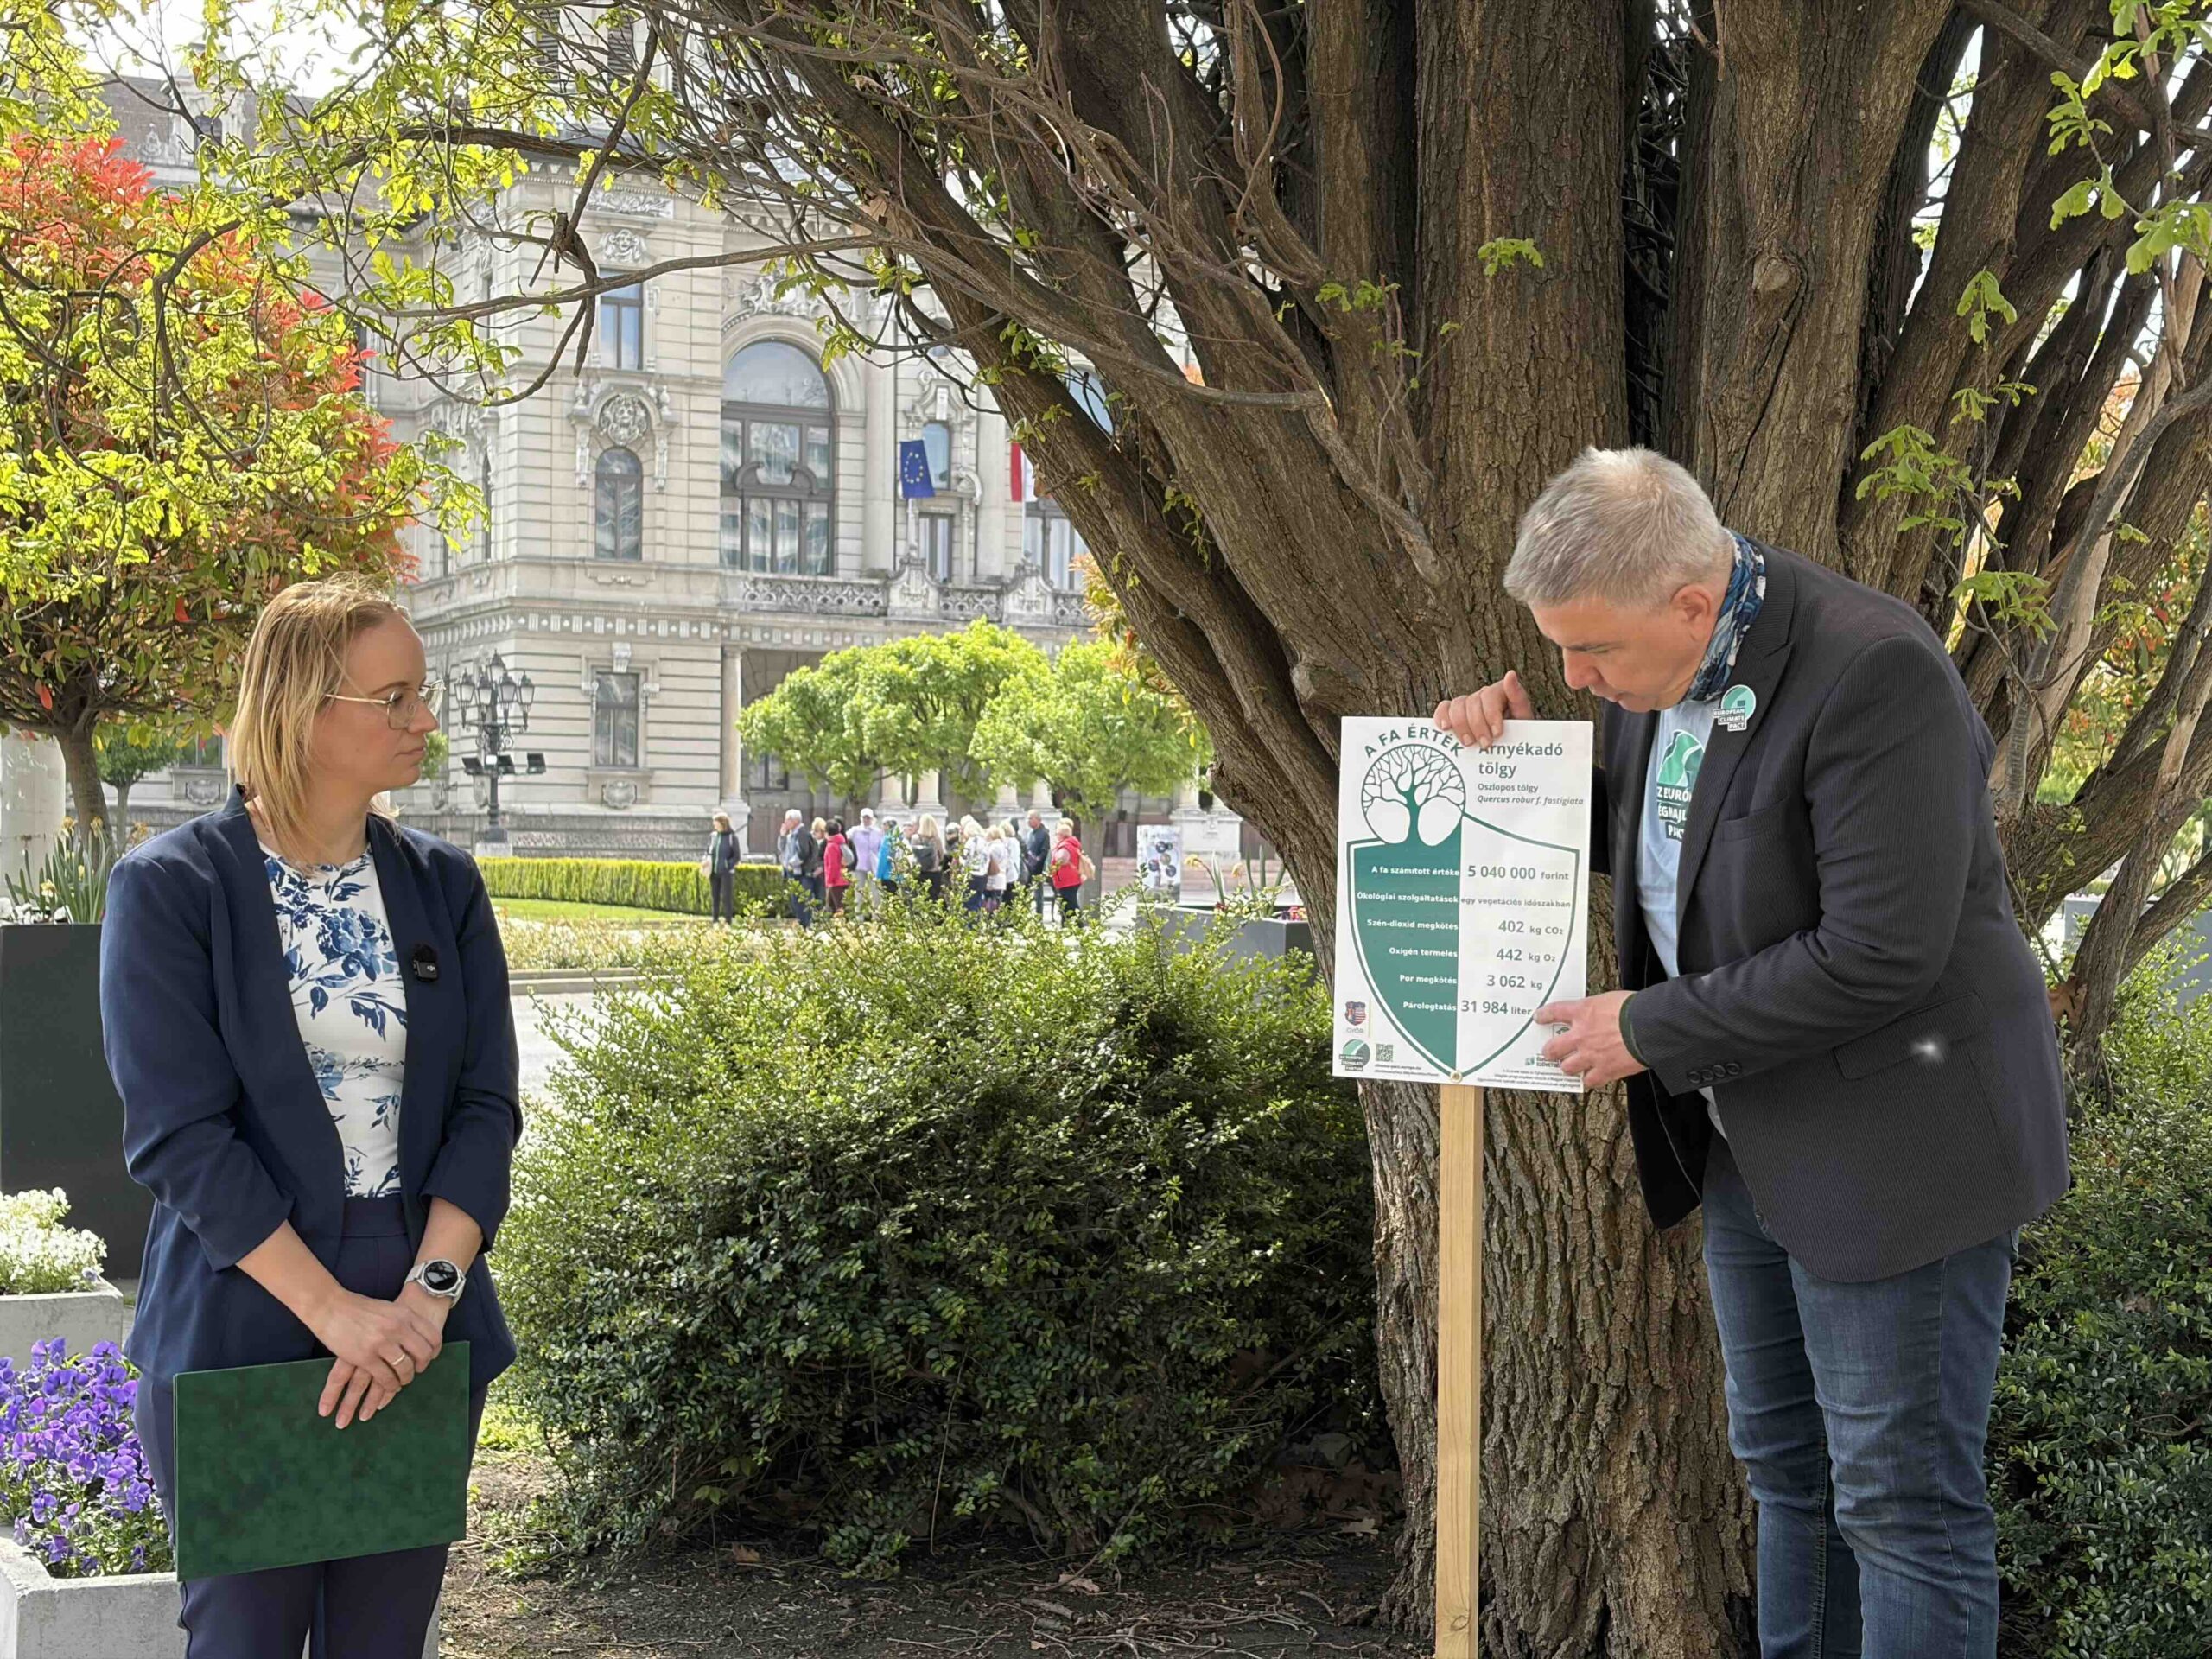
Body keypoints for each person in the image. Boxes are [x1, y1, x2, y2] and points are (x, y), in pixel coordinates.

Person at [1433, 447, 2068, 1659]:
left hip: (1903, 1158)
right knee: (1788, 1477)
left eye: (1593, 652)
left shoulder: (1873, 671)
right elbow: (1670, 844)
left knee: (1899, 1506)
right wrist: (1509, 763)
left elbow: (1881, 952)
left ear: (1689, 600)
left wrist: (1648, 1028)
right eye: (1559, 651)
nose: (1574, 675)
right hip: (1750, 1146)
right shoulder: (1659, 668)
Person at [99, 575, 520, 1656]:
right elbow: (181, 1137)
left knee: (384, 1644)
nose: (424, 720)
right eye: (396, 698)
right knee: (242, 1641)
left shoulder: (446, 886)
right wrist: (337, 1314)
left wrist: (423, 1303)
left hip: (423, 1309)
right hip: (247, 1306)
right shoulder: (172, 887)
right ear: (302, 707)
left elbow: (485, 1108)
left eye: (422, 694)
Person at [703, 810, 741, 925]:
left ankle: (728, 920)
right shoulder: (713, 836)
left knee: (726, 897)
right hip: (713, 871)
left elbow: (736, 856)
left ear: (722, 823)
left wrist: (727, 865)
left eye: (716, 822)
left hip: (726, 872)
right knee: (715, 896)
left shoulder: (732, 837)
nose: (714, 825)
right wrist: (706, 860)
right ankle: (715, 919)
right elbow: (708, 850)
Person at [778, 808, 814, 928]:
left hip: (800, 873)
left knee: (801, 901)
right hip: (792, 872)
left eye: (787, 819)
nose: (785, 822)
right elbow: (782, 850)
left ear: (795, 821)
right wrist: (782, 836)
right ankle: (802, 924)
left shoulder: (801, 833)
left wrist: (791, 864)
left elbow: (803, 853)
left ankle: (805, 925)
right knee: (795, 901)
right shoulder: (791, 834)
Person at [1049, 818, 1085, 925]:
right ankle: (1067, 923)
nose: (1056, 836)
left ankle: (1077, 924)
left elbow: (1062, 859)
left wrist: (1055, 856)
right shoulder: (1071, 844)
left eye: (1057, 834)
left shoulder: (1065, 846)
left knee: (1070, 903)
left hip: (1067, 880)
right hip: (1071, 879)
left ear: (1062, 835)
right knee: (1068, 902)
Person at [849, 808, 883, 915]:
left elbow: (881, 848)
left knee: (876, 893)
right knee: (859, 893)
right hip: (859, 866)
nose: (866, 820)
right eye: (864, 817)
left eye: (868, 818)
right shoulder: (854, 831)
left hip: (874, 866)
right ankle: (859, 917)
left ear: (872, 819)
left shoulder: (878, 832)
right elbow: (846, 841)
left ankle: (876, 916)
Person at [959, 815, 991, 912]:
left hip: (971, 875)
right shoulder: (985, 842)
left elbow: (966, 859)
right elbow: (987, 859)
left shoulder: (971, 841)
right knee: (977, 902)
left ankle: (969, 925)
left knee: (968, 903)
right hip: (982, 875)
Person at [915, 813, 948, 905]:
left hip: (920, 872)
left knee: (920, 899)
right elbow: (941, 856)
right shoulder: (936, 840)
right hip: (934, 873)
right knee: (933, 899)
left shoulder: (916, 838)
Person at [1023, 809, 1052, 917]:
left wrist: (1036, 863)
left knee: (1038, 894)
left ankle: (1039, 916)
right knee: (1025, 893)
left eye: (1030, 818)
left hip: (1038, 869)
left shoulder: (1044, 833)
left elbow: (1044, 852)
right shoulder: (1030, 833)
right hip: (1028, 867)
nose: (1028, 821)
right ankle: (1023, 915)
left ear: (1037, 819)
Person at [823, 817, 850, 919]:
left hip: (836, 881)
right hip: (843, 879)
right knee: (832, 906)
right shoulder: (841, 842)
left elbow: (833, 866)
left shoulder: (831, 846)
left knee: (839, 908)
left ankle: (844, 928)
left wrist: (829, 881)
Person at [804, 815, 829, 924]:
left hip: (822, 875)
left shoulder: (826, 843)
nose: (815, 833)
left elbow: (827, 859)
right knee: (809, 898)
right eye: (813, 831)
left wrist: (821, 868)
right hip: (811, 873)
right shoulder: (811, 841)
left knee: (820, 897)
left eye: (817, 831)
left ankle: (820, 920)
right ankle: (812, 919)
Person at [876, 816, 908, 900]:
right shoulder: (901, 837)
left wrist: (878, 876)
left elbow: (883, 860)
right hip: (900, 875)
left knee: (890, 902)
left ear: (887, 826)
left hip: (888, 875)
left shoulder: (887, 839)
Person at [983, 823, 1010, 916]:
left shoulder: (993, 847)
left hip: (993, 878)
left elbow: (989, 864)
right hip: (1001, 878)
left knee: (991, 903)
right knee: (997, 901)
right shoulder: (1003, 846)